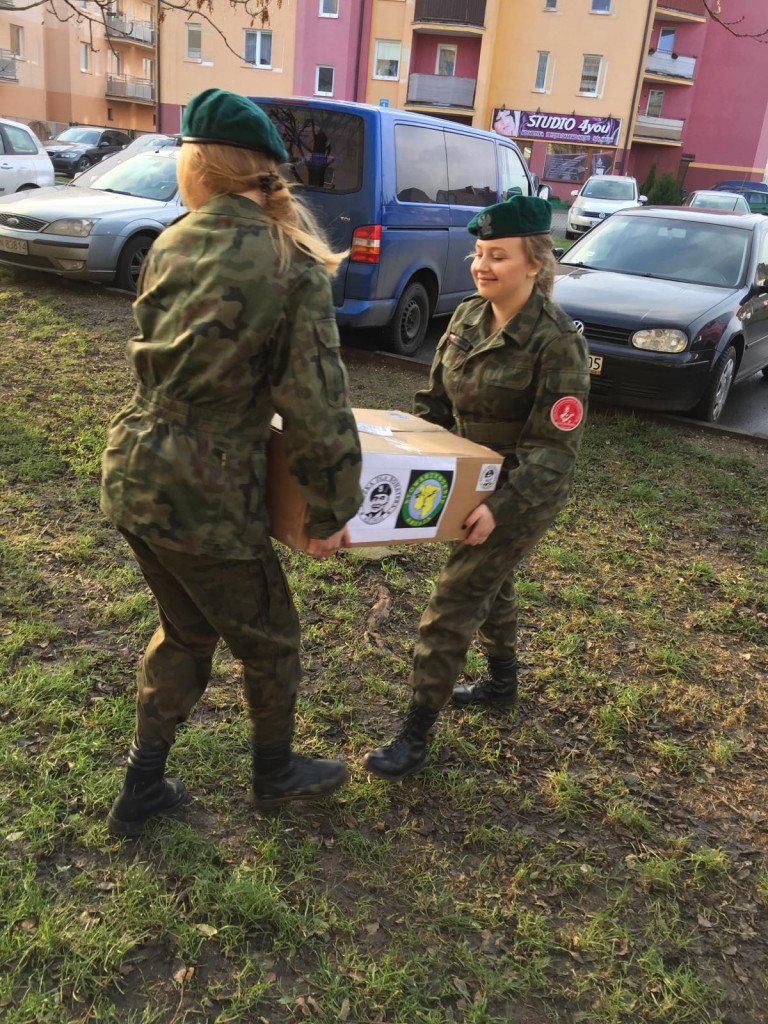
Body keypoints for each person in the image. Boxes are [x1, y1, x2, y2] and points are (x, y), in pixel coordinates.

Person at [101, 88, 363, 835]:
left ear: (202, 168)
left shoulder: (171, 241)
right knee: (272, 638)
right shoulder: (288, 262)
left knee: (186, 629)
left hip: (134, 472)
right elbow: (316, 404)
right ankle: (275, 774)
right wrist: (333, 507)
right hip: (206, 493)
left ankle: (142, 784)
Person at [363, 194, 590, 781]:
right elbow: (436, 407)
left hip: (522, 490)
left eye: (499, 256)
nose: (482, 266)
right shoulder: (466, 316)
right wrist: (408, 455)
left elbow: (552, 450)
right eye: (479, 253)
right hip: (469, 477)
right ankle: (503, 682)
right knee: (492, 578)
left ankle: (414, 734)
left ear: (535, 264)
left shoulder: (558, 343)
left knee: (456, 600)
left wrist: (499, 507)